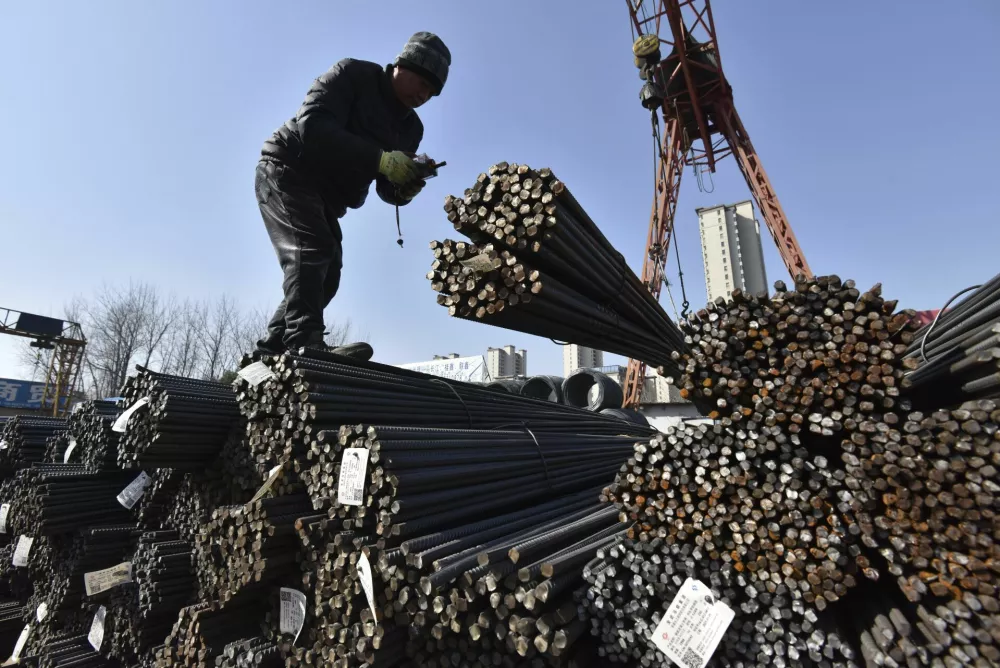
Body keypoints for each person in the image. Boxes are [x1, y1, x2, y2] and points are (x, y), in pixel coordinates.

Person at [253, 32, 451, 360]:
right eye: (423, 82)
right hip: (289, 168)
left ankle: (269, 352)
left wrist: (407, 185)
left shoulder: (411, 129)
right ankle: (304, 342)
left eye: (432, 91)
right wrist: (381, 159)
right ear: (403, 65)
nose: (424, 94)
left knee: (327, 273)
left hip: (328, 196)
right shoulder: (353, 74)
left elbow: (387, 190)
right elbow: (312, 126)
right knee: (311, 248)